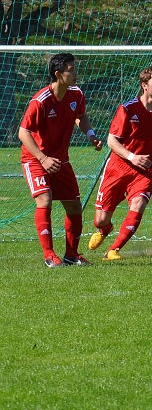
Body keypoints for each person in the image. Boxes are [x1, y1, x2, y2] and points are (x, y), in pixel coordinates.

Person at [19, 52, 103, 267]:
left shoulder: (76, 94)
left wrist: (91, 135)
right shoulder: (40, 101)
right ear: (58, 74)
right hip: (36, 159)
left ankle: (72, 255)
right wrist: (43, 157)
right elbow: (23, 133)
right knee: (44, 200)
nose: (75, 73)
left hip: (60, 161)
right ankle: (49, 256)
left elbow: (81, 116)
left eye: (75, 68)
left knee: (75, 207)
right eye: (71, 69)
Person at [88, 67, 152, 260]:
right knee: (100, 220)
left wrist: (150, 166)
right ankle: (105, 229)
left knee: (139, 203)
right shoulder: (127, 109)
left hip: (143, 171)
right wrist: (132, 157)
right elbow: (111, 141)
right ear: (144, 85)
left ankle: (113, 250)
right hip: (118, 167)